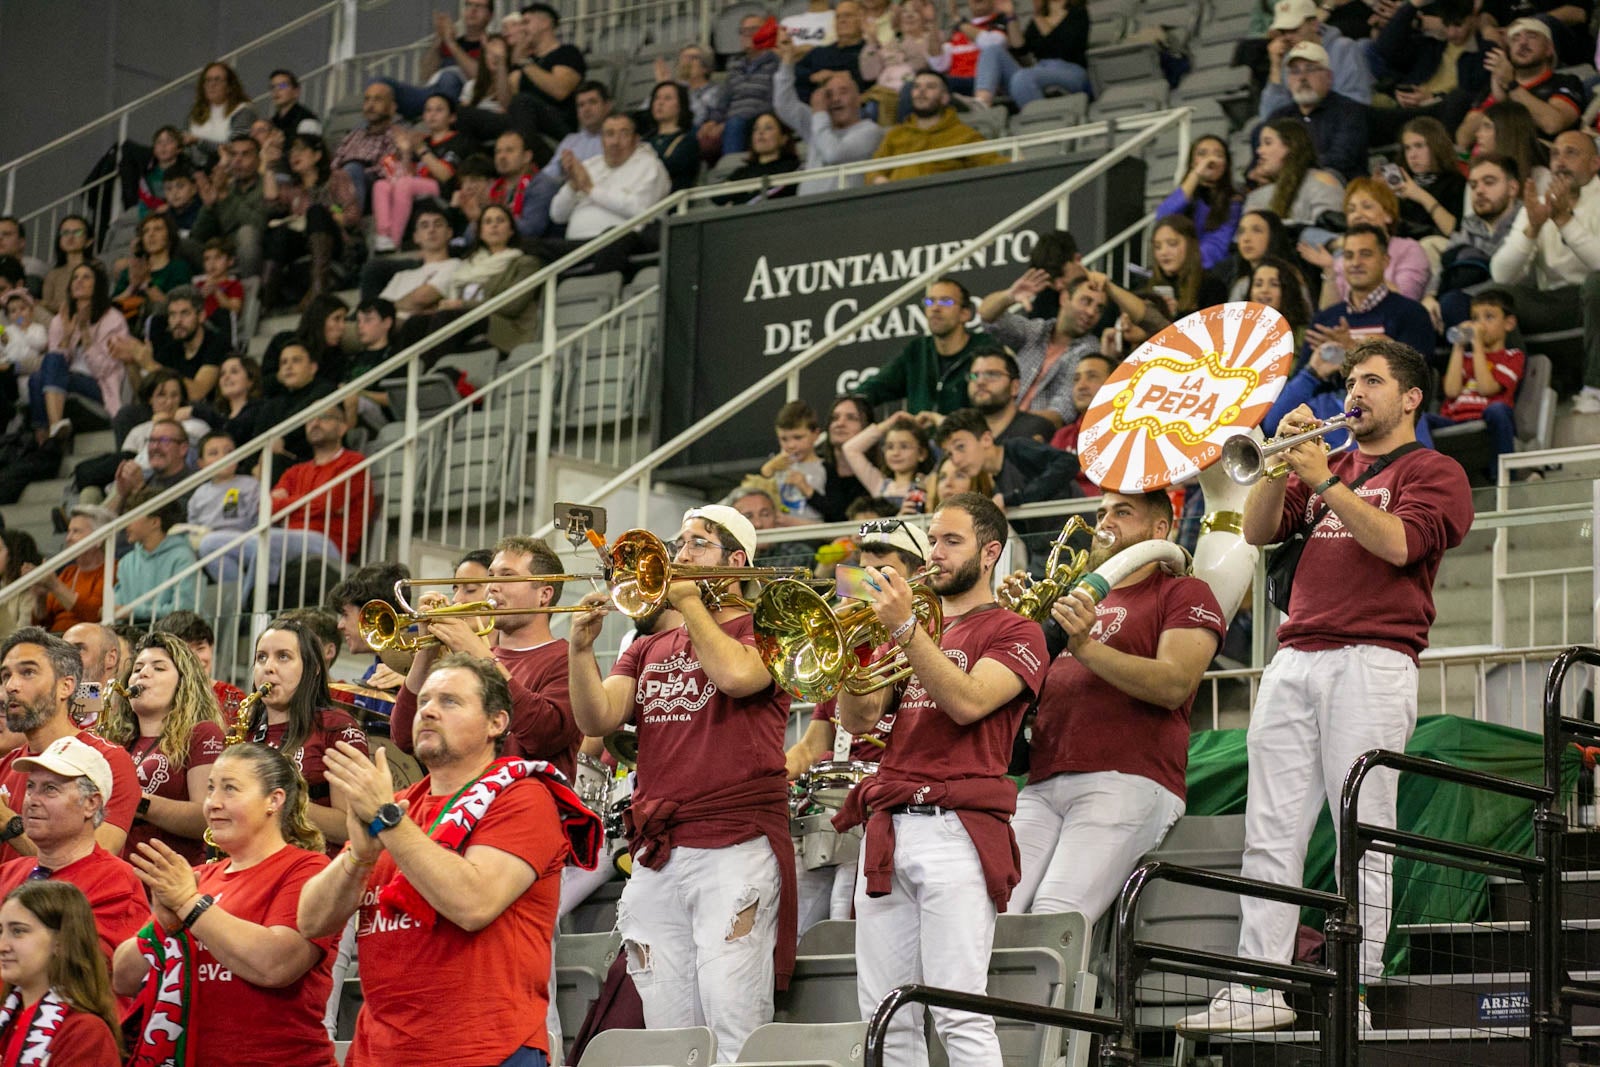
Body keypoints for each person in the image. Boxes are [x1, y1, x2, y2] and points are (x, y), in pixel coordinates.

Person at [1179, 338, 1473, 1034]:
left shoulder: (1435, 470)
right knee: (1269, 832)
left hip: (1372, 659)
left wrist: (1327, 483)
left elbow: (1401, 544)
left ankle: (1359, 990)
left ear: (1410, 398)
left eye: (1372, 380)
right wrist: (1280, 467)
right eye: (1349, 379)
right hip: (1295, 657)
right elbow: (1254, 530)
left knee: (1363, 831)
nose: (1354, 392)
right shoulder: (1325, 464)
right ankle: (1258, 987)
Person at [567, 505, 797, 1059]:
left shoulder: (771, 626)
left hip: (735, 841)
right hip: (660, 850)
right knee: (668, 1026)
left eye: (697, 545)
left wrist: (690, 602)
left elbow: (739, 677)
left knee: (733, 1011)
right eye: (679, 544)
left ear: (736, 562)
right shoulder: (647, 644)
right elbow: (597, 719)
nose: (679, 556)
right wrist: (580, 648)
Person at [298, 654, 600, 1066]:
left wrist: (387, 820)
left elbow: (472, 903)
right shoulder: (401, 807)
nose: (429, 711)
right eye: (424, 702)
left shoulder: (523, 797)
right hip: (379, 1055)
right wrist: (359, 860)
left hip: (484, 1052)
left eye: (450, 702)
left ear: (497, 723)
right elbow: (312, 921)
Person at [832, 492, 1048, 1066]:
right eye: (932, 540)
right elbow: (857, 719)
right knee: (884, 1016)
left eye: (951, 541)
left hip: (958, 828)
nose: (935, 552)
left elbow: (969, 702)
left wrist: (904, 630)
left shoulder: (1017, 630)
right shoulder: (916, 626)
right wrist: (855, 649)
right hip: (889, 825)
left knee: (958, 1011)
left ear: (991, 551)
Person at [1008, 489, 1222, 922]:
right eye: (1101, 511)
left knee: (1055, 915)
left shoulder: (1183, 591)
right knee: (990, 910)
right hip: (1043, 778)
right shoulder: (1069, 601)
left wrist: (1084, 646)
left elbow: (1175, 683)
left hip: (1127, 776)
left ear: (1160, 529)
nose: (1104, 522)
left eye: (1123, 512)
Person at [113, 743, 339, 1067]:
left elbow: (277, 964)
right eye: (210, 789)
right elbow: (123, 978)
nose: (212, 803)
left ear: (274, 801)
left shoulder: (308, 869)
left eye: (230, 789)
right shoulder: (197, 878)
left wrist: (189, 904)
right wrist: (164, 923)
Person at [785, 518, 929, 933]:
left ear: (917, 576)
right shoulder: (848, 642)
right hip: (834, 811)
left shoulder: (931, 640)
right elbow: (814, 746)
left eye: (882, 572)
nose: (867, 583)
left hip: (892, 810)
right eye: (861, 572)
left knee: (846, 922)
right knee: (795, 926)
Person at [390, 535, 583, 780]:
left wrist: (481, 658)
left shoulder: (567, 661)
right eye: (491, 576)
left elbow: (543, 737)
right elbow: (405, 737)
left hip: (528, 807)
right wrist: (425, 654)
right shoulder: (477, 659)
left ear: (544, 595)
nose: (492, 586)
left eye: (507, 576)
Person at [0, 737, 147, 968]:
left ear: (91, 803)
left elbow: (79, 973)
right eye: (30, 787)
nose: (32, 800)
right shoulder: (8, 873)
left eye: (50, 789)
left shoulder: (117, 883)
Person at [0, 628, 141, 864]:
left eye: (28, 673)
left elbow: (95, 863)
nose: (11, 686)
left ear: (66, 686)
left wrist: (10, 824)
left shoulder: (107, 760)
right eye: (5, 676)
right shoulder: (6, 765)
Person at [1488, 131, 1600, 412]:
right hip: (1553, 302)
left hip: (1592, 297)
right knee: (1497, 297)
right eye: (1555, 154)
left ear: (1595, 163)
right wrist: (1532, 228)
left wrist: (1564, 221)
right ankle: (1527, 392)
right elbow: (1501, 273)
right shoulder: (1538, 203)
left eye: (1571, 153)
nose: (1560, 161)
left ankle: (1594, 387)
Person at [237, 619, 369, 853]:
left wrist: (277, 802)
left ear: (313, 668)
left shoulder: (336, 727)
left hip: (316, 871)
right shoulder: (244, 730)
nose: (269, 667)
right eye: (261, 657)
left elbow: (350, 826)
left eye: (283, 657)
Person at [203, 405, 370, 588]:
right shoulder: (295, 471)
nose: (315, 423)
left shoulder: (354, 462)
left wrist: (286, 503)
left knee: (269, 540)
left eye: (324, 417)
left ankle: (248, 611)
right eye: (310, 418)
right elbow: (265, 508)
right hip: (285, 539)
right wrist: (306, 500)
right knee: (210, 545)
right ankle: (241, 603)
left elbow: (328, 503)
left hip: (327, 542)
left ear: (342, 427)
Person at [94, 633, 225, 864]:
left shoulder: (202, 733)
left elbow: (206, 817)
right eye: (137, 668)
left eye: (159, 668)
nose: (143, 673)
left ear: (183, 683)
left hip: (168, 879)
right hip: (116, 872)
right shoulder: (115, 739)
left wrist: (136, 800)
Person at [0, 882, 122, 1066]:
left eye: (18, 931)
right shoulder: (7, 1019)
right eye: (0, 932)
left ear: (60, 941)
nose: (2, 946)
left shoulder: (85, 1033)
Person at [397, 203, 541, 356]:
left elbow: (511, 305)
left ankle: (431, 370)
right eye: (488, 222)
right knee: (416, 322)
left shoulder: (525, 263)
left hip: (504, 327)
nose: (494, 226)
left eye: (500, 221)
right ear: (480, 232)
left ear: (511, 230)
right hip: (466, 321)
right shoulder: (468, 265)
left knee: (447, 317)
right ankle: (399, 375)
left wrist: (462, 305)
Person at [539, 114, 672, 276]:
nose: (615, 142)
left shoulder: (650, 165)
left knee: (614, 236)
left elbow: (642, 210)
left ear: (636, 139)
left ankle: (601, 293)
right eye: (609, 134)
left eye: (623, 134)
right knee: (528, 248)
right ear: (602, 141)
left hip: (622, 242)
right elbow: (557, 215)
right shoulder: (590, 165)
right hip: (578, 247)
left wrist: (590, 189)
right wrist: (573, 185)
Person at [854, 277, 1004, 414]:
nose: (935, 308)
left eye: (946, 301)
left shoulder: (985, 349)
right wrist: (848, 403)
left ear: (965, 314)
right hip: (922, 442)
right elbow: (874, 388)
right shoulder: (917, 351)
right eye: (929, 301)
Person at [977, 270, 1107, 427]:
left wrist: (1005, 422)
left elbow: (1059, 414)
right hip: (998, 430)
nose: (1091, 312)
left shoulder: (1089, 351)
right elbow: (988, 316)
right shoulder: (1036, 330)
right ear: (1065, 298)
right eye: (1086, 301)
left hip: (1038, 438)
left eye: (1099, 308)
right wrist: (1009, 296)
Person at [1300, 225, 1436, 369]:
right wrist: (1317, 370)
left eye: (1365, 254)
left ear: (1385, 261)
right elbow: (1297, 385)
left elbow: (1418, 376)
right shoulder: (1325, 320)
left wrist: (1354, 349)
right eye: (1348, 255)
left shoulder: (1412, 313)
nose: (1356, 263)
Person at [1423, 288, 1525, 479]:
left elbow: (1487, 389)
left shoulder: (1513, 356)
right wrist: (1459, 346)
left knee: (1499, 410)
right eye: (1475, 318)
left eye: (1489, 317)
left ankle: (1504, 478)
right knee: (1418, 418)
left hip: (1486, 417)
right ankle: (1426, 476)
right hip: (1454, 418)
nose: (1480, 324)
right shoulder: (1465, 358)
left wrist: (1476, 344)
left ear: (1509, 323)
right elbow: (1451, 391)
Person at [262, 133, 363, 313]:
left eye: (300, 150)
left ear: (317, 155)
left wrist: (330, 215)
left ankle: (318, 291)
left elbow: (352, 216)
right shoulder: (293, 188)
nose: (294, 155)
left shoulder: (336, 178)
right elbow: (271, 206)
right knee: (280, 232)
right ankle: (267, 296)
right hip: (303, 245)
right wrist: (269, 166)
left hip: (336, 243)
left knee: (316, 212)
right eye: (291, 151)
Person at [30, 263, 130, 442]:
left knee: (42, 377)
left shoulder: (113, 319)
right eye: (75, 278)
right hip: (67, 379)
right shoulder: (60, 320)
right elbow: (55, 364)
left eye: (86, 277)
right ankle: (49, 433)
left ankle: (50, 432)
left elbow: (105, 370)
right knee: (36, 378)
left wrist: (85, 333)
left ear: (97, 284)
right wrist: (67, 338)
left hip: (100, 385)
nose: (79, 282)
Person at [370, 93, 479, 253]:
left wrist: (421, 149)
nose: (432, 114)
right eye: (428, 110)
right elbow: (405, 174)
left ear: (452, 117)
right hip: (415, 189)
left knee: (404, 184)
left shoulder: (458, 141)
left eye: (439, 110)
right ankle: (383, 236)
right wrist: (406, 151)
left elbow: (445, 175)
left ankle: (395, 240)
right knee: (381, 185)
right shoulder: (423, 141)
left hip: (444, 192)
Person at [1454, 18, 1583, 151]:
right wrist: (1497, 101)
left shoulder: (1566, 82)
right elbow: (1463, 139)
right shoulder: (1493, 88)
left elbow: (1552, 124)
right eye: (1515, 38)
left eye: (1532, 36)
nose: (1522, 42)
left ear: (1549, 49)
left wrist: (1512, 85)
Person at [1297, 178, 1432, 305]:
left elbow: (1406, 302)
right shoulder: (1344, 258)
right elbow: (1328, 316)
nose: (1358, 215)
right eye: (1351, 210)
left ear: (1388, 215)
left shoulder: (1409, 249)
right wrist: (1329, 271)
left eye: (1367, 207)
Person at [1258, 41, 1370, 182]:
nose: (1302, 77)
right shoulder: (1279, 117)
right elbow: (1260, 160)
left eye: (1310, 69)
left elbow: (1341, 159)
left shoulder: (1349, 111)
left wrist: (1288, 166)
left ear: (1329, 77)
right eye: (1295, 71)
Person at [867, 72, 1004, 185]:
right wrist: (881, 181)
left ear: (944, 98)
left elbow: (994, 163)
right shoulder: (895, 134)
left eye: (930, 87)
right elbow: (873, 171)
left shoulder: (964, 135)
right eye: (916, 87)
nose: (921, 91)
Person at [935, 407, 1082, 509]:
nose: (955, 460)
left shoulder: (1017, 448)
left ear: (986, 439)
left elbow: (1069, 462)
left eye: (960, 446)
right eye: (949, 453)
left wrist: (1016, 498)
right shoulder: (993, 482)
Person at [773, 64, 885, 196]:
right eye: (829, 95)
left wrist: (819, 112)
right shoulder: (818, 124)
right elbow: (783, 105)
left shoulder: (870, 131)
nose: (836, 99)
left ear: (858, 99)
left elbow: (833, 154)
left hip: (841, 211)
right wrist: (787, 63)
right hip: (805, 210)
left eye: (843, 92)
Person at [379, 0, 494, 119]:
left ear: (490, 15)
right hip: (430, 94)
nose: (472, 10)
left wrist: (451, 43)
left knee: (449, 77)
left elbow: (480, 77)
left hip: (461, 98)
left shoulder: (492, 44)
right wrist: (439, 37)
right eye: (468, 5)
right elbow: (425, 74)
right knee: (380, 83)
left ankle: (436, 121)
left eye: (479, 6)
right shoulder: (451, 43)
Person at [973, 0, 1090, 108]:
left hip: (1071, 71)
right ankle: (982, 102)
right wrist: (1010, 16)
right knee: (992, 50)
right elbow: (1020, 49)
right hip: (1039, 70)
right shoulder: (1037, 20)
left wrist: (1038, 16)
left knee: (1024, 77)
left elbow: (1064, 47)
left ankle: (1040, 121)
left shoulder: (1078, 13)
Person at [1258, 0, 1373, 108]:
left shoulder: (1343, 49)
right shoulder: (1287, 56)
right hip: (1299, 125)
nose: (1287, 37)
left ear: (1314, 25)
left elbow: (1357, 102)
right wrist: (1275, 67)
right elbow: (1270, 115)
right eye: (1283, 32)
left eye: (1293, 29)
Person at [111, 488, 199, 624]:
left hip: (172, 635)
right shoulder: (126, 562)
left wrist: (132, 611)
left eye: (132, 518)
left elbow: (184, 610)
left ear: (155, 522)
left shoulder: (183, 557)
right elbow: (117, 611)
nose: (126, 525)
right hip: (133, 636)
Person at [190, 131, 270, 279]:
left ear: (258, 159)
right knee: (183, 244)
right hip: (219, 255)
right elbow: (197, 235)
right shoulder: (225, 187)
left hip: (252, 253)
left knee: (247, 233)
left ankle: (249, 289)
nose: (238, 160)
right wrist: (209, 206)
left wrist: (226, 197)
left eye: (245, 154)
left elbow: (258, 223)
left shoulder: (267, 185)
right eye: (234, 155)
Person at [505, 2, 586, 146]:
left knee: (523, 101)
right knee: (469, 116)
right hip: (526, 126)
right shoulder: (528, 63)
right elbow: (508, 101)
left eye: (526, 22)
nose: (522, 29)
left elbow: (560, 90)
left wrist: (525, 63)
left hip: (559, 126)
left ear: (545, 23)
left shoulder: (567, 53)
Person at [1158, 136, 1245, 271]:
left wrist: (1185, 262)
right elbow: (1163, 218)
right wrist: (1196, 175)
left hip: (1207, 271)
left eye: (1218, 155)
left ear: (1226, 164)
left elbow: (1216, 246)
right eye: (1202, 154)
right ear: (1192, 163)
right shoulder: (1185, 197)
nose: (1210, 161)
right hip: (1177, 267)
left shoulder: (1233, 202)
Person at [1243, 119, 1345, 228]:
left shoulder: (1321, 181)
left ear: (1291, 146)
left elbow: (1330, 230)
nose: (1259, 150)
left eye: (1268, 143)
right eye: (1260, 144)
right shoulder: (1256, 197)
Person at [150, 608, 247, 716]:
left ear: (211, 648)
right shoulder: (155, 699)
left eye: (201, 648)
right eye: (185, 651)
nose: (195, 658)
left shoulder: (234, 698)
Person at [30, 508, 112, 635]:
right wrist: (40, 597)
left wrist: (55, 586)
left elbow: (95, 616)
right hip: (55, 641)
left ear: (98, 539)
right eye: (68, 531)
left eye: (76, 531)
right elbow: (41, 626)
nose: (68, 538)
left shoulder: (111, 569)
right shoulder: (69, 572)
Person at [329, 83, 405, 212]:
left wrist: (352, 172)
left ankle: (348, 216)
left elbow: (388, 173)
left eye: (377, 100)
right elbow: (336, 162)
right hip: (343, 183)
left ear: (392, 108)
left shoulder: (396, 136)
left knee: (353, 168)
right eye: (367, 99)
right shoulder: (354, 135)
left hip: (372, 186)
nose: (370, 105)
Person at [1050, 352, 1114, 496]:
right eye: (1076, 379)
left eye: (1092, 376)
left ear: (1115, 383)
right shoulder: (1062, 436)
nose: (1081, 386)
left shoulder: (1132, 432)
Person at [1391, 116, 1468, 239]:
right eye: (1408, 148)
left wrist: (1420, 195)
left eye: (1419, 146)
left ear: (1436, 146)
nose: (1412, 155)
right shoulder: (1402, 181)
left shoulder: (1456, 182)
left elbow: (1455, 232)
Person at [842, 414, 936, 512]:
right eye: (890, 447)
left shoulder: (929, 483)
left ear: (922, 454)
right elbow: (850, 449)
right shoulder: (879, 485)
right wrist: (890, 422)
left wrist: (934, 418)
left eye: (904, 446)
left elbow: (951, 445)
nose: (895, 453)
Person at [806, 396, 877, 523]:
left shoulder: (879, 474)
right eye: (835, 418)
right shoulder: (815, 470)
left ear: (867, 428)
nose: (840, 423)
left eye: (851, 418)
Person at [720, 14, 783, 155]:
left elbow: (774, 100)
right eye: (743, 31)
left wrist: (742, 115)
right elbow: (724, 99)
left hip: (759, 117)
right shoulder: (734, 65)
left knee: (735, 124)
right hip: (732, 119)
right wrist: (714, 121)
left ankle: (732, 171)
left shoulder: (775, 63)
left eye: (753, 30)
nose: (747, 35)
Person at [757, 400, 828, 524]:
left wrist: (805, 487)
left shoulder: (826, 468)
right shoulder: (776, 465)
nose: (790, 445)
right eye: (784, 439)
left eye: (798, 437)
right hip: (777, 537)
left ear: (816, 434)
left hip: (814, 536)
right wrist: (768, 470)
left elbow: (831, 513)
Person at [710, 113, 802, 206]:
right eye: (756, 129)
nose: (760, 132)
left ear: (783, 138)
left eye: (768, 128)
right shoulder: (743, 172)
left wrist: (744, 192)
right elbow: (717, 197)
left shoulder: (792, 168)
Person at [1149, 215, 1230, 319]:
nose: (1163, 252)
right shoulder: (1147, 286)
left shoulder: (1212, 287)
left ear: (1190, 245)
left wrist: (1176, 315)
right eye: (1157, 247)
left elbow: (1212, 332)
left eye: (1172, 244)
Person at [187, 353, 265, 450]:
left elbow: (236, 433)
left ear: (251, 380)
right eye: (222, 374)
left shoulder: (260, 409)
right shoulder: (221, 414)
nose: (226, 377)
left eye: (234, 371)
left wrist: (195, 411)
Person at [794, 0, 869, 97]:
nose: (842, 20)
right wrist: (811, 77)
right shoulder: (819, 52)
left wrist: (834, 76)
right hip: (807, 106)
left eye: (848, 15)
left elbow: (869, 81)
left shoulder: (869, 52)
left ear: (862, 20)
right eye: (838, 17)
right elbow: (794, 71)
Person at [1222, 209, 1294, 300]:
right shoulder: (1235, 280)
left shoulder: (1291, 281)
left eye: (1256, 230)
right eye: (1241, 231)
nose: (1246, 239)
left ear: (1274, 236)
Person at [186, 62, 258, 154]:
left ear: (229, 87)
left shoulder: (243, 111)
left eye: (217, 80)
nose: (212, 85)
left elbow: (236, 147)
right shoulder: (194, 112)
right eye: (208, 80)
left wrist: (199, 141)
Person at [644, 81, 702, 193]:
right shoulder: (645, 140)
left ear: (680, 105)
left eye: (667, 98)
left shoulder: (687, 142)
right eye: (657, 98)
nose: (660, 103)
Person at [37, 215, 91, 318]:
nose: (70, 237)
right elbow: (45, 307)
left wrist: (47, 305)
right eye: (65, 233)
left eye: (77, 232)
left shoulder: (96, 267)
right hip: (55, 322)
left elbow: (92, 303)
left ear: (89, 241)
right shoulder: (53, 274)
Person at [0, 533, 42, 643]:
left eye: (0, 550)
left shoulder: (29, 593)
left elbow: (19, 640)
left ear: (14, 556)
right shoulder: (3, 586)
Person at [267, 68, 323, 142]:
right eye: (273, 87)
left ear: (296, 91)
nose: (276, 90)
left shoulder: (307, 119)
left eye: (282, 86)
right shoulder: (272, 123)